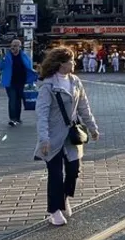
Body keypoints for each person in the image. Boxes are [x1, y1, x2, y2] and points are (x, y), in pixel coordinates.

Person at [33, 47, 99, 226]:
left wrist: (92, 127)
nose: (74, 63)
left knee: (73, 171)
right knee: (55, 174)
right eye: (71, 61)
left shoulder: (75, 81)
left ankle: (64, 197)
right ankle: (54, 210)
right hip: (53, 137)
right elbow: (42, 114)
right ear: (61, 63)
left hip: (71, 135)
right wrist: (44, 139)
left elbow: (84, 107)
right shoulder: (48, 85)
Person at [0, 40, 38, 127]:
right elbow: (0, 67)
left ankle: (18, 118)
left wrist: (34, 76)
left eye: (16, 46)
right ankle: (12, 119)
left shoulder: (24, 56)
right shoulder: (7, 56)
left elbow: (29, 68)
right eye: (12, 45)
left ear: (20, 47)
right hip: (10, 82)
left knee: (18, 100)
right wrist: (2, 59)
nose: (14, 48)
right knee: (12, 100)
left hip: (22, 82)